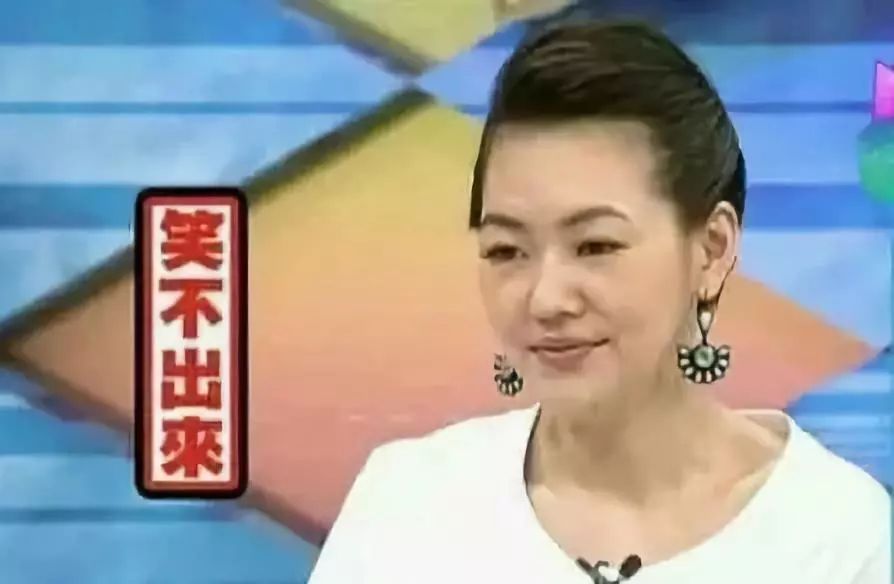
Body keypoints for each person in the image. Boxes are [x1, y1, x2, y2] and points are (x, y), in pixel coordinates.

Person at [307, 18, 891, 583]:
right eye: (507, 250)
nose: (546, 299)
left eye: (595, 245)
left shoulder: (837, 534)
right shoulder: (406, 504)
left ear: (712, 249)